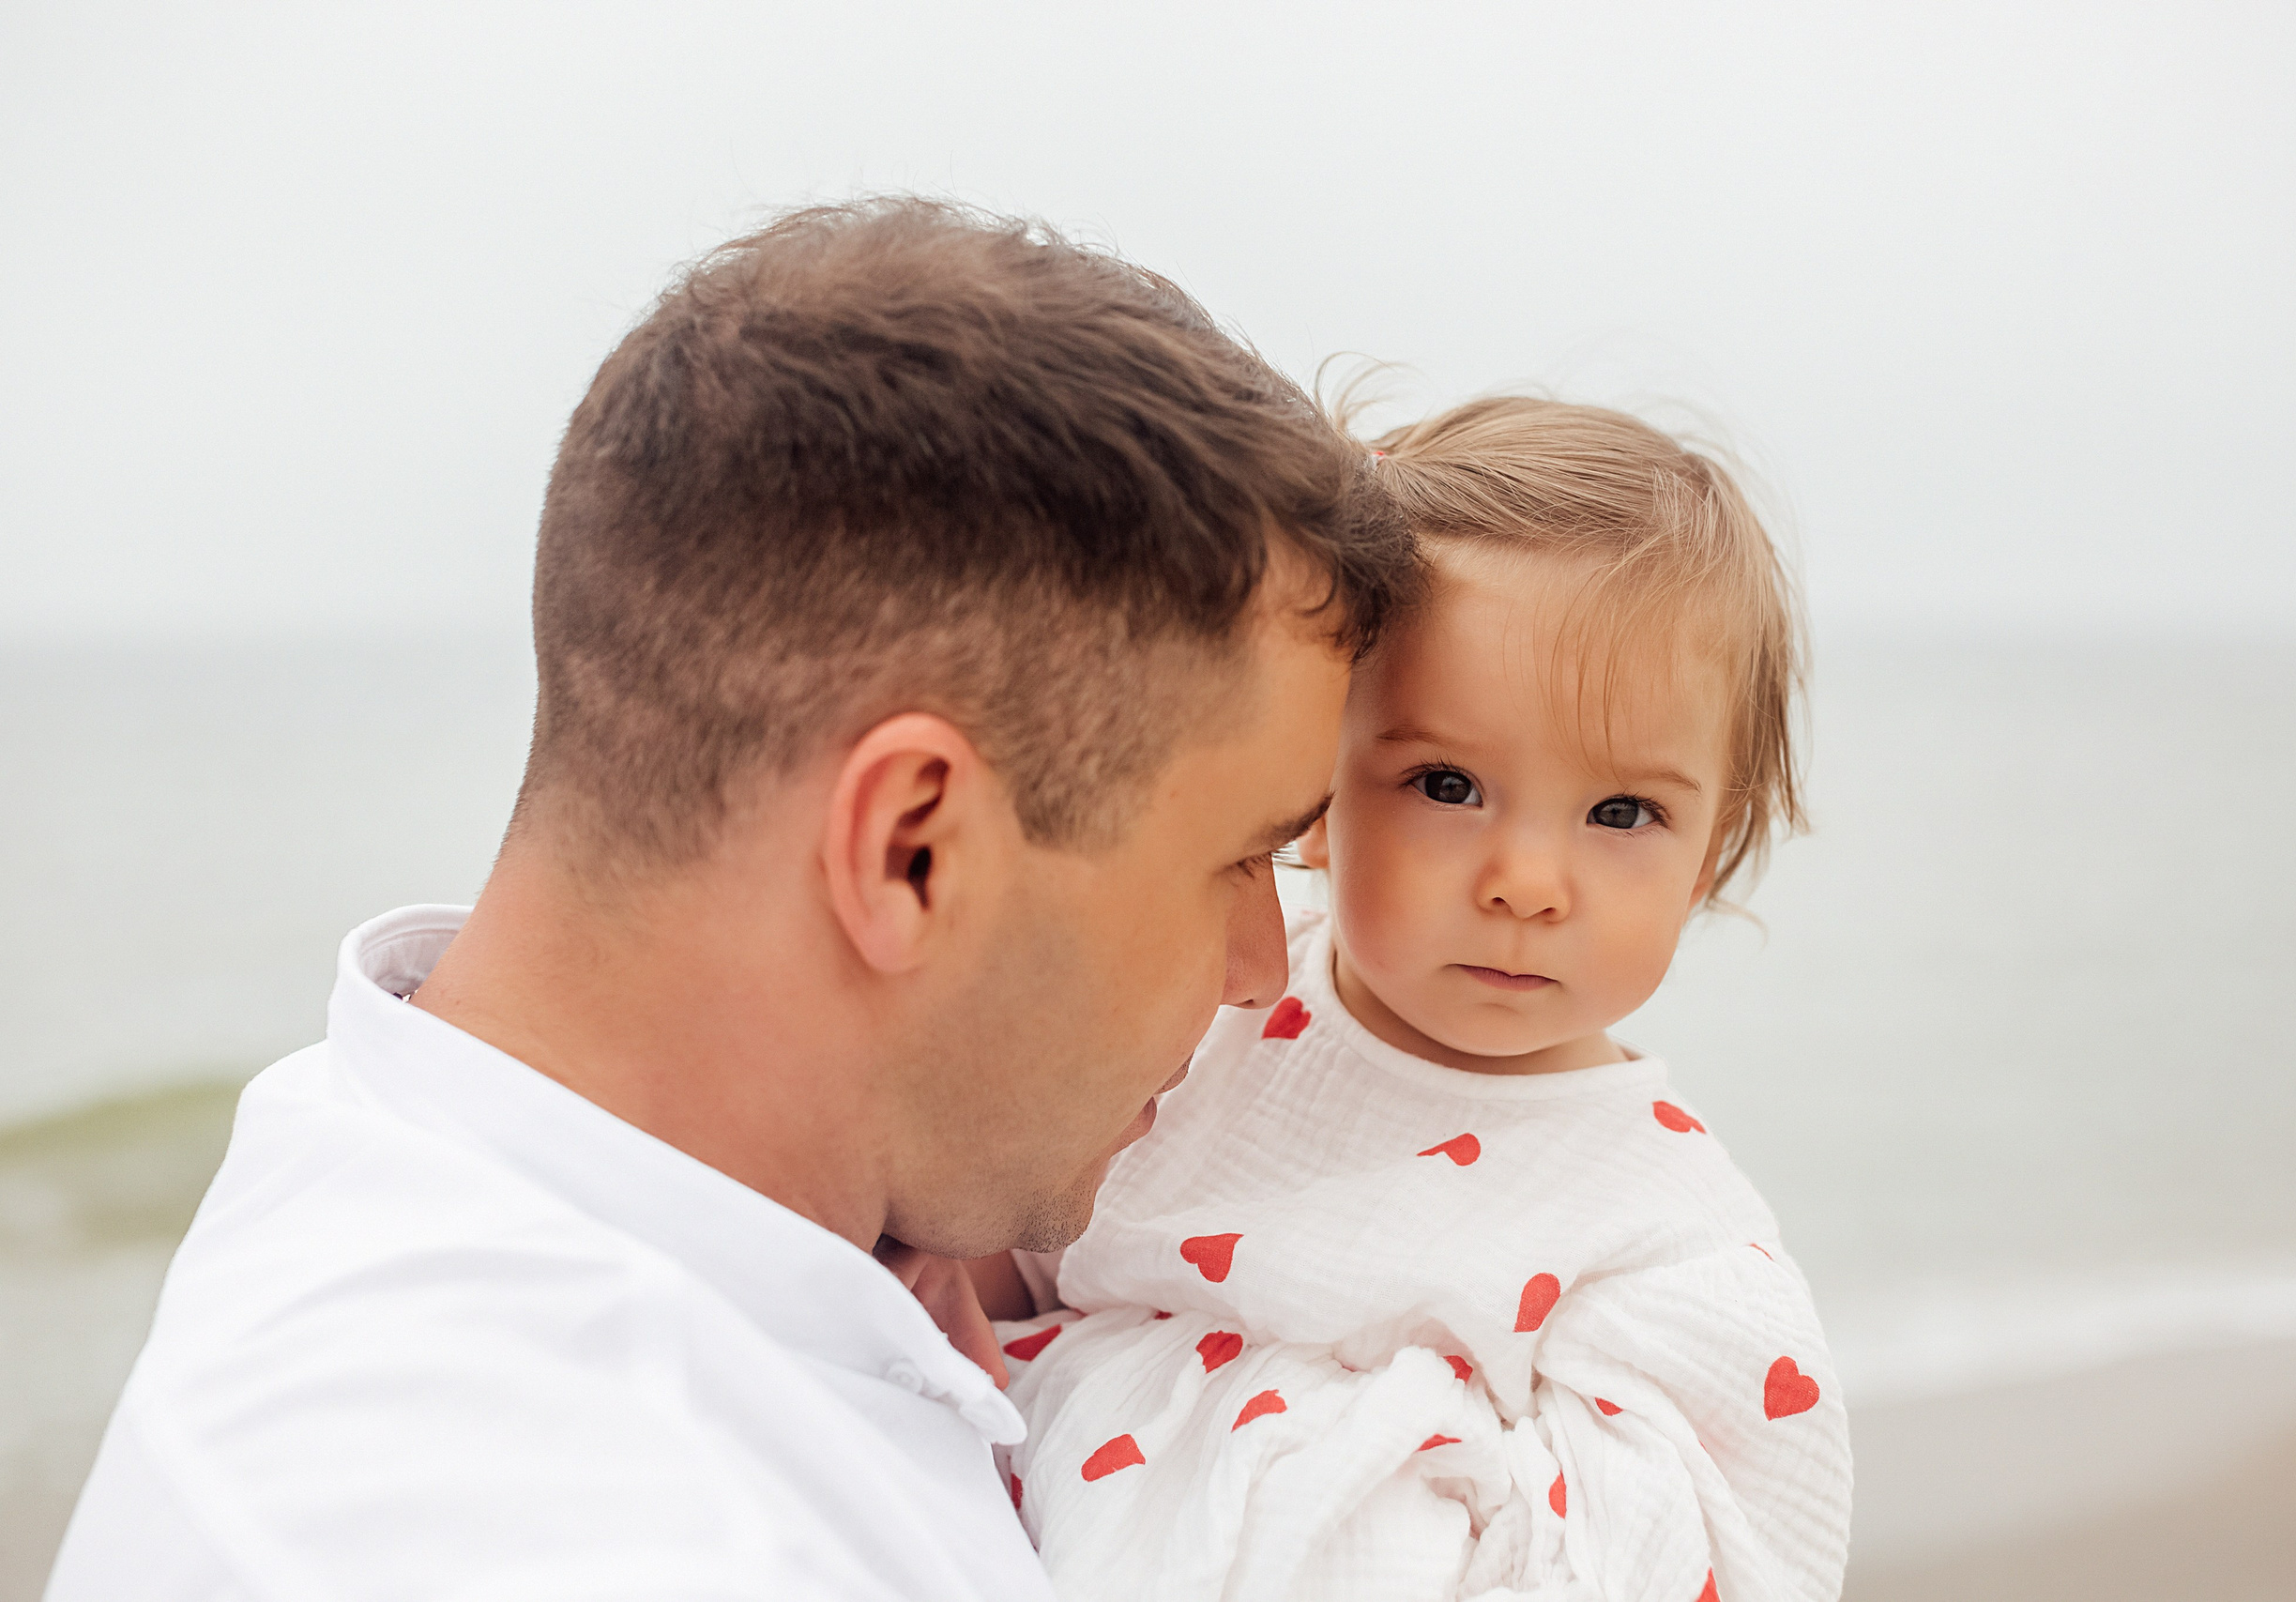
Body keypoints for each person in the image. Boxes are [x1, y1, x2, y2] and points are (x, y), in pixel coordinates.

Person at [45, 198, 1417, 1602]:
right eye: (1244, 856)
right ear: (912, 849)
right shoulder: (590, 1530)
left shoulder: (437, 1148)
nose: (1266, 964)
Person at [985, 399, 1851, 1601]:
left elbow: (1698, 1548)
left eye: (1621, 815)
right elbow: (1021, 1217)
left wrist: (1315, 1441)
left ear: (1708, 852)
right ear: (1313, 790)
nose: (1528, 885)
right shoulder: (1208, 998)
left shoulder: (1665, 1237)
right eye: (1446, 784)